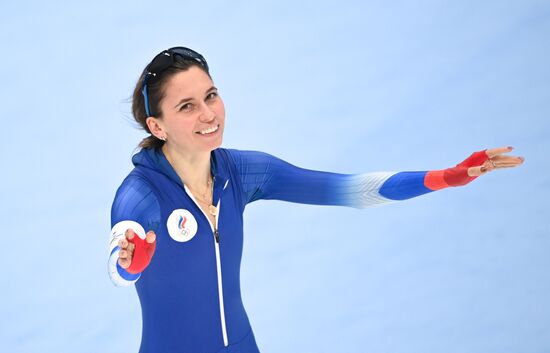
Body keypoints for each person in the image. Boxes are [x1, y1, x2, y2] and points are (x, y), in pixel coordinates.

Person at [108, 47, 525, 353]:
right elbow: (119, 261)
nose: (209, 114)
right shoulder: (143, 193)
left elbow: (350, 190)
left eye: (211, 96)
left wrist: (446, 177)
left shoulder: (241, 173)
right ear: (156, 125)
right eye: (187, 106)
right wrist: (131, 264)